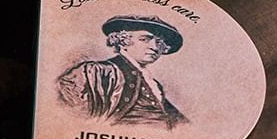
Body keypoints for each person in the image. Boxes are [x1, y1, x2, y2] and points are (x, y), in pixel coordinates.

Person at [57, 14, 188, 129]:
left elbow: (178, 124)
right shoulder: (94, 71)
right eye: (144, 39)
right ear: (123, 41)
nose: (154, 47)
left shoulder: (154, 84)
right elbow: (74, 117)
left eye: (159, 43)